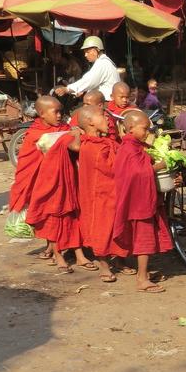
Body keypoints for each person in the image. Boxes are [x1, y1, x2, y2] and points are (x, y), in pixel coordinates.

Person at [20, 97, 92, 274]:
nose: (60, 115)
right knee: (53, 217)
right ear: (42, 114)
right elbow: (28, 162)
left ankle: (79, 253)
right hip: (48, 183)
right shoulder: (34, 133)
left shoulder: (66, 129)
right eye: (55, 112)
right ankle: (58, 254)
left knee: (73, 214)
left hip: (68, 180)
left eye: (61, 111)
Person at [112, 109, 173, 293]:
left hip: (141, 199)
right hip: (138, 203)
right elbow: (137, 173)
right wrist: (159, 165)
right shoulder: (129, 148)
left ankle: (144, 274)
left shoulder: (136, 146)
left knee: (145, 238)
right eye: (145, 129)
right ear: (130, 128)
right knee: (143, 240)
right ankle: (142, 279)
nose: (148, 132)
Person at [75, 106, 128, 283]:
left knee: (118, 225)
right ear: (90, 122)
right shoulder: (91, 147)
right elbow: (112, 168)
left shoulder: (105, 142)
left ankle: (120, 259)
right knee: (102, 228)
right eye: (102, 116)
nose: (107, 119)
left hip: (113, 192)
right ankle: (104, 265)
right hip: (99, 196)